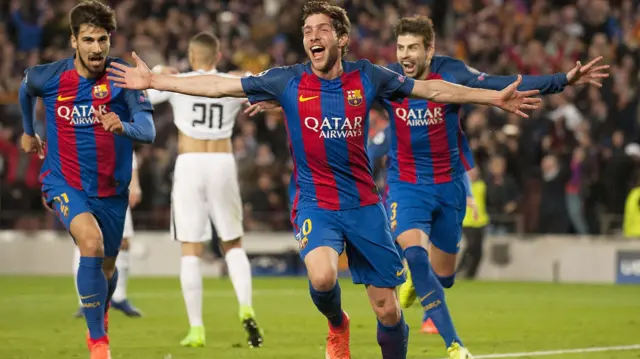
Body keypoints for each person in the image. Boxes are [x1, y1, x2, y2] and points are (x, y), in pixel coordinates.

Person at [106, 2, 540, 358]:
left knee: (388, 310)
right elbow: (221, 84)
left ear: (341, 38)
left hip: (365, 206)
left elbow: (435, 91)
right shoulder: (287, 80)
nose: (313, 36)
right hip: (316, 203)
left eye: (322, 29)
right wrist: (158, 80)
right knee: (322, 278)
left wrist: (491, 97)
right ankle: (338, 327)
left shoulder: (368, 76)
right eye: (307, 30)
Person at [370, 15, 608, 358]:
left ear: (430, 49)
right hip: (406, 184)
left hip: (448, 185)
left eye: (413, 48)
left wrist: (563, 80)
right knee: (415, 255)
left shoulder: (452, 72)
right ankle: (455, 345)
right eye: (401, 47)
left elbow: (503, 82)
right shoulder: (388, 79)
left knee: (445, 277)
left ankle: (416, 285)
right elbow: (342, 90)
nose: (405, 55)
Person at [19, 1, 155, 358]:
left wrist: (122, 125)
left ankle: (100, 314)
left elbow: (149, 129)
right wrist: (28, 131)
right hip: (64, 181)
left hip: (111, 191)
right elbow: (25, 87)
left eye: (103, 40)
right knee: (90, 244)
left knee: (107, 271)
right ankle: (98, 344)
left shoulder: (122, 78)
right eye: (89, 40)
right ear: (74, 42)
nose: (97, 48)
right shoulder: (49, 77)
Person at [145, 32, 263, 348]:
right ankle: (245, 305)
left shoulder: (180, 81)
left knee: (191, 249)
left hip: (190, 163)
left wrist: (159, 69)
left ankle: (196, 328)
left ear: (190, 54)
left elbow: (146, 92)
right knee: (233, 243)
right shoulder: (230, 81)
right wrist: (246, 76)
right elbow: (261, 83)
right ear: (218, 54)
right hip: (222, 161)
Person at [72, 152, 143, 318]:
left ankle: (119, 297)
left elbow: (127, 150)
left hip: (116, 187)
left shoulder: (116, 127)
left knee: (123, 242)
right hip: (85, 186)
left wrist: (135, 184)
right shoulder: (77, 127)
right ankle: (85, 301)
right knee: (85, 242)